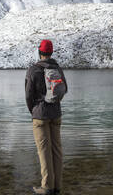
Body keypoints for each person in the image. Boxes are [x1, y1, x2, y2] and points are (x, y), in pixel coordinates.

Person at [25, 39, 68, 195]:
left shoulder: (33, 70)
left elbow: (29, 95)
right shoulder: (57, 68)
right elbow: (64, 89)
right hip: (56, 114)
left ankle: (46, 187)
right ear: (51, 52)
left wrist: (34, 111)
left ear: (40, 52)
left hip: (40, 116)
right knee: (57, 150)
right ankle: (57, 186)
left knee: (44, 152)